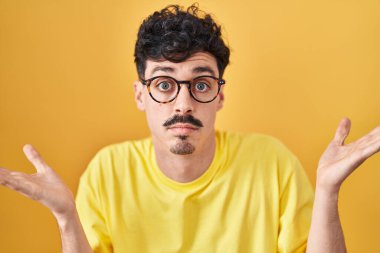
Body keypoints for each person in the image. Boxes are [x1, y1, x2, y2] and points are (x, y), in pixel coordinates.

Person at [0, 4, 379, 253]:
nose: (183, 103)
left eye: (201, 84)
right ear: (140, 95)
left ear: (220, 96)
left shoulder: (272, 163)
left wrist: (328, 191)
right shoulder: (107, 172)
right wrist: (67, 218)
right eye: (165, 84)